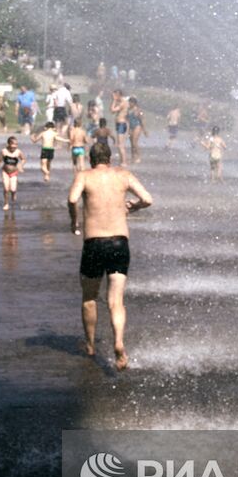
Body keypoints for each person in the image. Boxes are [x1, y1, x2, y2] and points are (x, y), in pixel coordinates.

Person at [67, 141, 154, 371]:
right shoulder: (123, 175)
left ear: (91, 159)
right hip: (119, 242)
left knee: (89, 297)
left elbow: (72, 199)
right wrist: (132, 207)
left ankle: (90, 345)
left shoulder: (84, 176)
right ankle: (118, 342)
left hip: (94, 243)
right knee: (116, 301)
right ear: (110, 158)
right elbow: (147, 199)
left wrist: (74, 221)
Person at [0, 135, 27, 212]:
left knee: (13, 189)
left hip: (14, 172)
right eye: (13, 144)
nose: (15, 146)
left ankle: (14, 193)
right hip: (5, 172)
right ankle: (6, 203)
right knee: (6, 188)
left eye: (16, 144)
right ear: (8, 144)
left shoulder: (18, 152)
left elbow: (24, 159)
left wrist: (20, 166)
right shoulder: (4, 151)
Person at [127, 97, 146, 165]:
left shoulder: (138, 110)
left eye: (130, 102)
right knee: (132, 144)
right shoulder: (128, 110)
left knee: (135, 142)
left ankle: (138, 157)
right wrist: (128, 129)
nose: (129, 103)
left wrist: (144, 130)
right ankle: (133, 158)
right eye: (129, 102)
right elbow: (128, 120)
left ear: (134, 103)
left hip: (137, 126)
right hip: (131, 127)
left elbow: (142, 119)